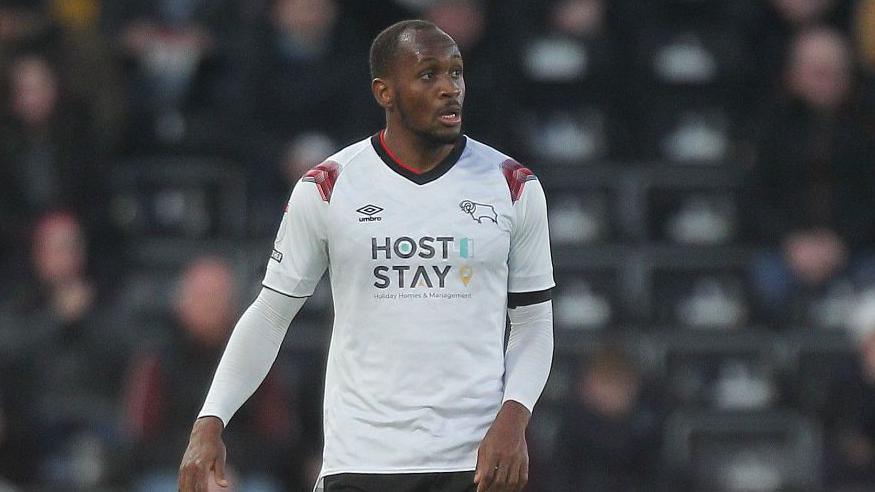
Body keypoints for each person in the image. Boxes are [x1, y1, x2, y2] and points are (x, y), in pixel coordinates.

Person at [178, 19, 555, 492]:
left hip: (473, 461)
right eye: (428, 75)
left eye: (456, 74)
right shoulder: (329, 186)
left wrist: (514, 417)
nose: (449, 89)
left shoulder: (512, 185)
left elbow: (534, 322)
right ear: (384, 92)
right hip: (359, 460)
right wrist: (211, 419)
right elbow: (271, 314)